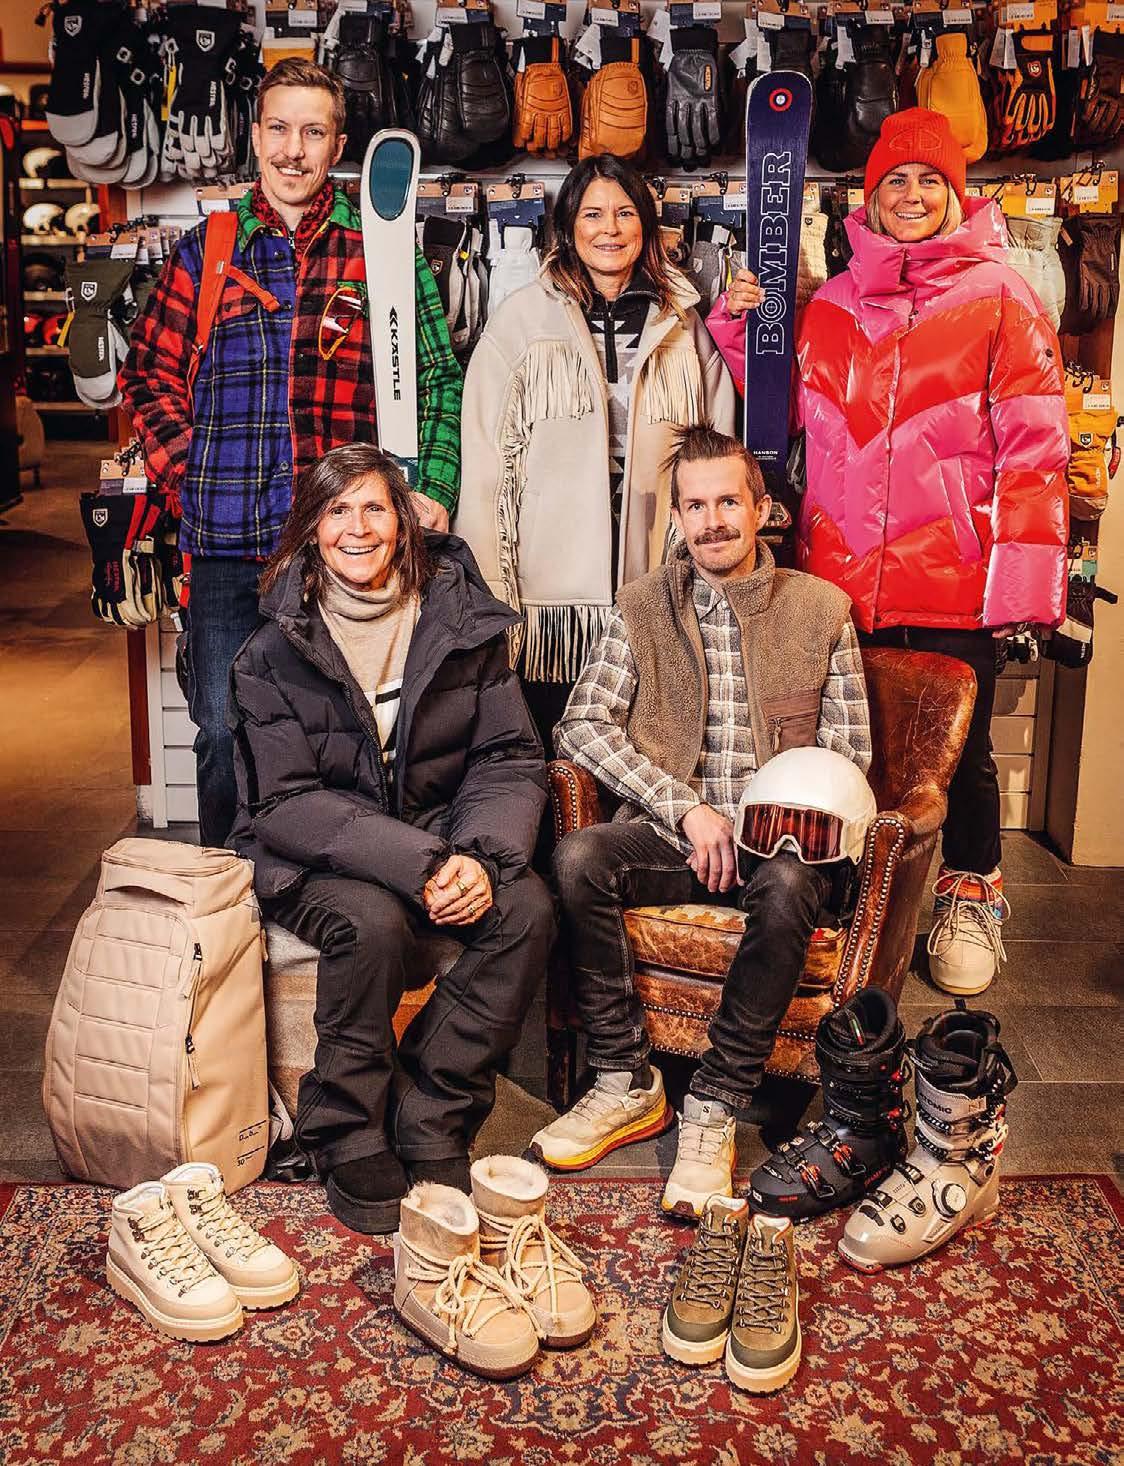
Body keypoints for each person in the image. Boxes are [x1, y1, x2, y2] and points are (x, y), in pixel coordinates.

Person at [706, 108, 1069, 997]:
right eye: (894, 180)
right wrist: (740, 329)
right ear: (869, 198)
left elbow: (1036, 451)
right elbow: (784, 407)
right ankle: (848, 892)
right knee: (845, 742)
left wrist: (1022, 590)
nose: (910, 195)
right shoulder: (832, 303)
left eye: (928, 180)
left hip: (951, 580)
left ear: (956, 195)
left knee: (961, 754)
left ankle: (970, 893)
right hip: (837, 579)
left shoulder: (1003, 299)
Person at [528, 425, 871, 1219]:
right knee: (579, 858)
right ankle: (624, 1079)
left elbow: (848, 752)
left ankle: (714, 1102)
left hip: (784, 844)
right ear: (678, 516)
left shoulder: (820, 610)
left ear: (761, 509)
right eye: (695, 506)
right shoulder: (642, 606)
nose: (712, 521)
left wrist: (760, 820)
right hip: (677, 830)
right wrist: (686, 809)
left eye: (728, 503)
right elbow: (581, 725)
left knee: (788, 887)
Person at [121, 59, 462, 848]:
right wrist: (190, 480)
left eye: (313, 132)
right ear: (255, 135)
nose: (293, 150)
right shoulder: (206, 251)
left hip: (348, 549)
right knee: (223, 734)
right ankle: (233, 901)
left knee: (348, 740)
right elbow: (147, 376)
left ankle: (336, 901)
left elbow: (438, 377)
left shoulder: (381, 250)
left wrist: (434, 484)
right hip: (229, 550)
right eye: (279, 129)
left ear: (338, 145)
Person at [227, 443, 553, 1234]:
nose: (357, 528)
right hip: (311, 851)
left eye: (375, 507)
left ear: (404, 523)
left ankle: (432, 1110)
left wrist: (479, 856)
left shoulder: (460, 622)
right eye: (337, 510)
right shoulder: (270, 650)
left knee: (528, 908)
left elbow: (507, 757)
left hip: (435, 832)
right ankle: (345, 1127)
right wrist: (425, 864)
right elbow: (286, 803)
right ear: (311, 528)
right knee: (372, 926)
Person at [455, 153, 737, 750]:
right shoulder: (521, 321)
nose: (610, 228)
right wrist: (489, 596)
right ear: (568, 226)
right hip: (550, 599)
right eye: (593, 214)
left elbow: (718, 450)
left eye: (625, 213)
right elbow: (485, 465)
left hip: (654, 578)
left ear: (646, 225)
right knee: (549, 746)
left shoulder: (681, 323)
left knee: (647, 743)